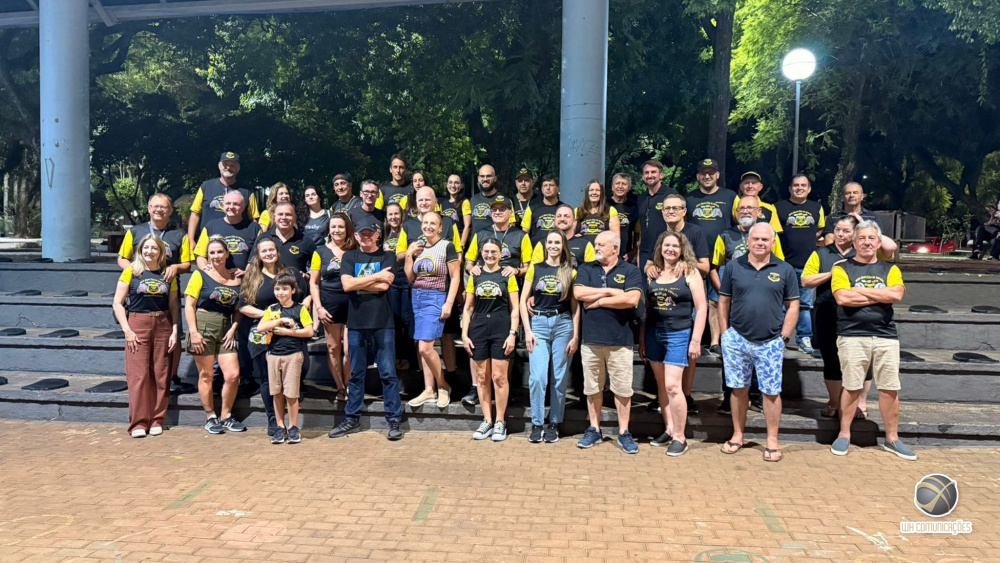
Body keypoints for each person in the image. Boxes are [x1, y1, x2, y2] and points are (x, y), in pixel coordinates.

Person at [830, 221, 915, 460]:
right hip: (851, 335)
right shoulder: (842, 268)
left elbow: (896, 294)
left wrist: (859, 291)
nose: (867, 242)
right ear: (854, 243)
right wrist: (881, 295)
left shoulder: (890, 269)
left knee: (889, 388)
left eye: (871, 238)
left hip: (886, 336)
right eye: (862, 238)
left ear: (878, 243)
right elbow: (843, 299)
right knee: (851, 386)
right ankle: (844, 434)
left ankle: (892, 438)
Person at [718, 223, 799, 462]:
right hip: (737, 338)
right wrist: (725, 333)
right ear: (748, 241)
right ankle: (737, 435)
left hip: (771, 341)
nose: (760, 243)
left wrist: (784, 336)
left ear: (773, 242)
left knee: (771, 393)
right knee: (738, 389)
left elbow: (793, 305)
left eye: (765, 239)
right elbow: (723, 301)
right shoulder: (733, 267)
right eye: (756, 239)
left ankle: (772, 441)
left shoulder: (785, 269)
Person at [327, 223, 404, 441]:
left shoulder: (388, 256)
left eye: (371, 233)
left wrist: (358, 282)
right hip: (356, 324)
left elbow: (384, 286)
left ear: (378, 235)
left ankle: (394, 420)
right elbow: (347, 286)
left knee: (388, 373)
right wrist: (376, 276)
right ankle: (352, 418)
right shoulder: (350, 257)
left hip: (383, 323)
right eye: (362, 234)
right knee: (356, 374)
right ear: (357, 236)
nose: (366, 237)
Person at [573, 232, 643, 453]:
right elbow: (578, 293)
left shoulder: (630, 270)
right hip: (591, 340)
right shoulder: (586, 268)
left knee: (622, 389)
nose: (596, 248)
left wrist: (599, 302)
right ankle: (594, 428)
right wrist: (611, 292)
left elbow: (631, 299)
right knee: (592, 387)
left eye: (601, 244)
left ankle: (624, 432)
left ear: (615, 248)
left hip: (620, 341)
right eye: (596, 244)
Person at [639, 231, 707, 457]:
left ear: (682, 249)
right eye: (666, 245)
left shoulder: (690, 272)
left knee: (672, 386)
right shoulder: (653, 273)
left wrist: (696, 340)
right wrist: (642, 338)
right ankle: (668, 429)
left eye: (675, 246)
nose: (670, 249)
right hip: (653, 333)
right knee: (661, 384)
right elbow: (647, 309)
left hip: (679, 334)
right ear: (660, 248)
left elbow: (702, 308)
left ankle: (680, 436)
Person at [117, 193, 192, 393]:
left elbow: (187, 264)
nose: (159, 210)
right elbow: (122, 258)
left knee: (174, 335)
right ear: (149, 209)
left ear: (170, 211)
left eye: (164, 207)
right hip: (140, 293)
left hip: (168, 292)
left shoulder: (180, 235)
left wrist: (175, 267)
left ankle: (172, 377)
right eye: (155, 206)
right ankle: (145, 378)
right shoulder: (135, 231)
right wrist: (135, 271)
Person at [642, 193, 710, 415]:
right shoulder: (658, 233)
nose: (670, 211)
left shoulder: (695, 232)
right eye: (667, 208)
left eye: (675, 208)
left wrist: (686, 263)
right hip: (661, 299)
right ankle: (664, 400)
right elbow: (649, 262)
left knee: (687, 353)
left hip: (686, 298)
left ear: (684, 211)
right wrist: (650, 268)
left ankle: (686, 395)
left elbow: (706, 266)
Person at [801, 215, 873, 419]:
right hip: (827, 311)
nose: (840, 234)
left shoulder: (862, 252)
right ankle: (834, 402)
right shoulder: (822, 253)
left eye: (846, 231)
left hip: (857, 314)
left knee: (860, 359)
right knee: (831, 358)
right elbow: (806, 280)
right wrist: (832, 273)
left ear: (855, 233)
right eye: (838, 230)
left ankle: (859, 403)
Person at [111, 234, 179, 438]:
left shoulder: (168, 274)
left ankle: (157, 419)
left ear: (161, 252)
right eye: (146, 248)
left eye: (154, 248)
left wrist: (175, 330)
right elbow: (117, 303)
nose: (150, 252)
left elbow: (174, 305)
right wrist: (127, 330)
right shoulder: (131, 272)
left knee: (161, 373)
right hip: (137, 324)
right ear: (140, 251)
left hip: (163, 324)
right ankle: (139, 423)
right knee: (138, 375)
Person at [239, 238, 309, 437]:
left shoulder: (291, 272)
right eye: (264, 251)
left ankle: (292, 422)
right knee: (267, 380)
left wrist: (298, 313)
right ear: (258, 255)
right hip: (263, 334)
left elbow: (307, 295)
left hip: (292, 332)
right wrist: (270, 316)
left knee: (300, 370)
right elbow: (243, 306)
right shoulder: (252, 276)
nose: (268, 253)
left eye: (272, 250)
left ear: (277, 252)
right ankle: (274, 420)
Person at [522, 230, 580, 444]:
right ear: (545, 245)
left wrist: (575, 335)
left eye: (557, 242)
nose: (553, 246)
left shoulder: (570, 271)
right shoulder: (535, 268)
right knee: (538, 377)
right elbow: (523, 300)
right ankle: (537, 423)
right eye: (550, 242)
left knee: (559, 377)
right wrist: (527, 331)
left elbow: (575, 307)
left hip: (563, 324)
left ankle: (554, 422)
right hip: (538, 324)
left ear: (563, 245)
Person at [184, 236, 244, 434]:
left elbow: (239, 309)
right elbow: (189, 305)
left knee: (233, 374)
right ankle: (210, 416)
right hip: (203, 325)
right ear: (208, 256)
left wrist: (234, 328)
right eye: (212, 253)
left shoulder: (236, 279)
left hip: (226, 328)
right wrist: (194, 332)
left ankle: (226, 415)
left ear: (227, 254)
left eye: (220, 252)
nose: (216, 256)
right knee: (207, 375)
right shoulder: (200, 275)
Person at [462, 238, 521, 441]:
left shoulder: (507, 275)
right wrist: (464, 334)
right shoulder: (475, 275)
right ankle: (487, 420)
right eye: (486, 251)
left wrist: (513, 334)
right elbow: (468, 308)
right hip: (479, 327)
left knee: (499, 377)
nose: (489, 255)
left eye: (493, 252)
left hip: (501, 326)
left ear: (500, 253)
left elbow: (515, 309)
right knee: (481, 376)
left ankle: (500, 421)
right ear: (481, 253)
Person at [404, 212, 462, 408]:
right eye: (425, 222)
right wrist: (409, 255)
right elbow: (410, 278)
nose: (428, 226)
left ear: (440, 227)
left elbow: (455, 276)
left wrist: (449, 303)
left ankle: (443, 385)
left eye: (433, 223)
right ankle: (429, 389)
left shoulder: (447, 246)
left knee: (425, 347)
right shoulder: (418, 247)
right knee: (422, 346)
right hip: (417, 297)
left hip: (436, 297)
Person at [685, 158, 737, 353]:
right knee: (693, 301)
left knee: (717, 300)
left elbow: (739, 221)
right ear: (698, 176)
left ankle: (717, 341)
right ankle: (693, 339)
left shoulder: (730, 196)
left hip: (721, 258)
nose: (707, 176)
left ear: (717, 175)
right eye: (703, 173)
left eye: (711, 173)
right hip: (695, 258)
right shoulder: (689, 198)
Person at [257, 272, 314, 444]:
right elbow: (260, 328)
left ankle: (293, 427)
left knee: (291, 393)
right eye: (277, 289)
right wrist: (278, 321)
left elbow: (309, 331)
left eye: (284, 289)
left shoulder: (300, 309)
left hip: (293, 355)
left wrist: (289, 332)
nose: (280, 292)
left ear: (293, 290)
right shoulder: (272, 309)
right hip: (273, 355)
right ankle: (280, 427)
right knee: (277, 392)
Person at [775, 174, 826, 354]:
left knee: (805, 304)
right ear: (790, 188)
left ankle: (804, 338)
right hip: (785, 263)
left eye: (803, 185)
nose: (799, 188)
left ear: (809, 189)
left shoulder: (816, 207)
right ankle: (779, 337)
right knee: (782, 304)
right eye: (796, 185)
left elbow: (820, 228)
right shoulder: (778, 207)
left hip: (808, 265)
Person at [310, 212, 356, 402]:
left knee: (349, 349)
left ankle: (349, 384)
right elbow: (314, 283)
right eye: (334, 227)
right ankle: (340, 387)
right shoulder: (320, 251)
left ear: (347, 229)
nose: (337, 230)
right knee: (333, 347)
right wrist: (318, 308)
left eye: (341, 227)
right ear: (329, 229)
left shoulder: (355, 249)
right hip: (329, 305)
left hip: (353, 305)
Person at [187, 151, 260, 252]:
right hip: (209, 242)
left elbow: (254, 218)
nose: (228, 167)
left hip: (237, 243)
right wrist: (191, 239)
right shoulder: (206, 186)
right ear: (219, 166)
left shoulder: (246, 191)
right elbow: (195, 213)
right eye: (225, 164)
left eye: (232, 165)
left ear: (238, 168)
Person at [382, 203, 417, 372]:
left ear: (402, 215)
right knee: (395, 320)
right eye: (390, 214)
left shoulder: (407, 231)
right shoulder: (384, 233)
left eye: (396, 213)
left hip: (407, 278)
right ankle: (397, 357)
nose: (394, 217)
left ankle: (410, 358)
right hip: (392, 280)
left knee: (408, 320)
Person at [194, 190, 263, 274]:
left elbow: (257, 256)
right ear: (223, 205)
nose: (231, 207)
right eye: (228, 203)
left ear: (243, 207)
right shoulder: (211, 227)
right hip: (216, 278)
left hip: (245, 278)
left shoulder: (255, 228)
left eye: (236, 204)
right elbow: (200, 255)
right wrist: (205, 268)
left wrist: (246, 272)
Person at [822, 182, 898, 255]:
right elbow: (829, 241)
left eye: (855, 193)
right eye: (848, 193)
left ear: (862, 196)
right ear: (842, 197)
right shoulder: (833, 217)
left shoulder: (873, 217)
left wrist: (863, 223)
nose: (851, 195)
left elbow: (879, 240)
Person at [465, 196, 532, 278]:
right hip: (485, 281)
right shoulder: (480, 234)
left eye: (502, 209)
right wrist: (472, 269)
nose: (497, 212)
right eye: (494, 210)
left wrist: (516, 271)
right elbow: (469, 264)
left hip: (511, 282)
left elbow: (529, 268)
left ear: (510, 213)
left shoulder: (521, 235)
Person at [530, 204, 596, 267]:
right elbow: (534, 271)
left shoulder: (585, 245)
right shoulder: (542, 244)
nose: (562, 219)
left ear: (574, 222)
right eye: (559, 216)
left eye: (566, 216)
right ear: (554, 220)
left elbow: (592, 271)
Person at [262, 201, 316, 273]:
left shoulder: (305, 240)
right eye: (280, 214)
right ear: (274, 217)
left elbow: (318, 267)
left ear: (295, 217)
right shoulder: (263, 239)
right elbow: (252, 265)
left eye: (288, 214)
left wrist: (308, 275)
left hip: (296, 280)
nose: (284, 217)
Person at [521, 174, 566, 243]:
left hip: (557, 247)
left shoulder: (564, 209)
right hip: (535, 248)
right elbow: (524, 234)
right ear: (542, 190)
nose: (548, 188)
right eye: (545, 185)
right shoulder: (531, 209)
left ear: (558, 189)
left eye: (551, 185)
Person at [609, 173, 639, 261]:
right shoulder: (604, 205)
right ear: (612, 187)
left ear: (629, 188)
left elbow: (638, 234)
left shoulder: (634, 207)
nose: (620, 186)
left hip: (625, 255)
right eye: (617, 183)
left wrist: (633, 251)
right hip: (606, 252)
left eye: (624, 184)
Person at [441, 173, 473, 249]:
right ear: (447, 185)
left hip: (458, 243)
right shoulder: (442, 204)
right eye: (450, 182)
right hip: (445, 243)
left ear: (462, 186)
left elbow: (467, 226)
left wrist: (461, 246)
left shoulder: (465, 202)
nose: (453, 186)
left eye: (456, 183)